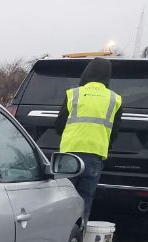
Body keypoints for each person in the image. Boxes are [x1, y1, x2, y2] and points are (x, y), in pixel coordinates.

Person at [55, 58, 123, 225]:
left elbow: (59, 125)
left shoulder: (73, 94)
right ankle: (78, 234)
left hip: (69, 153)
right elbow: (115, 133)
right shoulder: (115, 99)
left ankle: (59, 233)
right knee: (85, 198)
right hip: (94, 155)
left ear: (87, 72)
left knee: (64, 197)